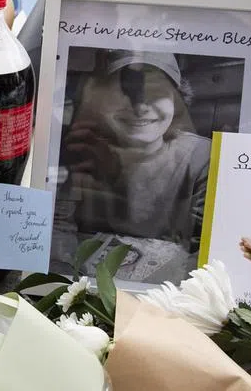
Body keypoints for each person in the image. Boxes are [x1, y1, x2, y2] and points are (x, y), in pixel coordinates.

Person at [56, 50, 211, 279]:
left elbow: (205, 254)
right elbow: (57, 227)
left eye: (156, 92)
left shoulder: (202, 159)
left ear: (178, 100)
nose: (140, 107)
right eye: (125, 91)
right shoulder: (79, 149)